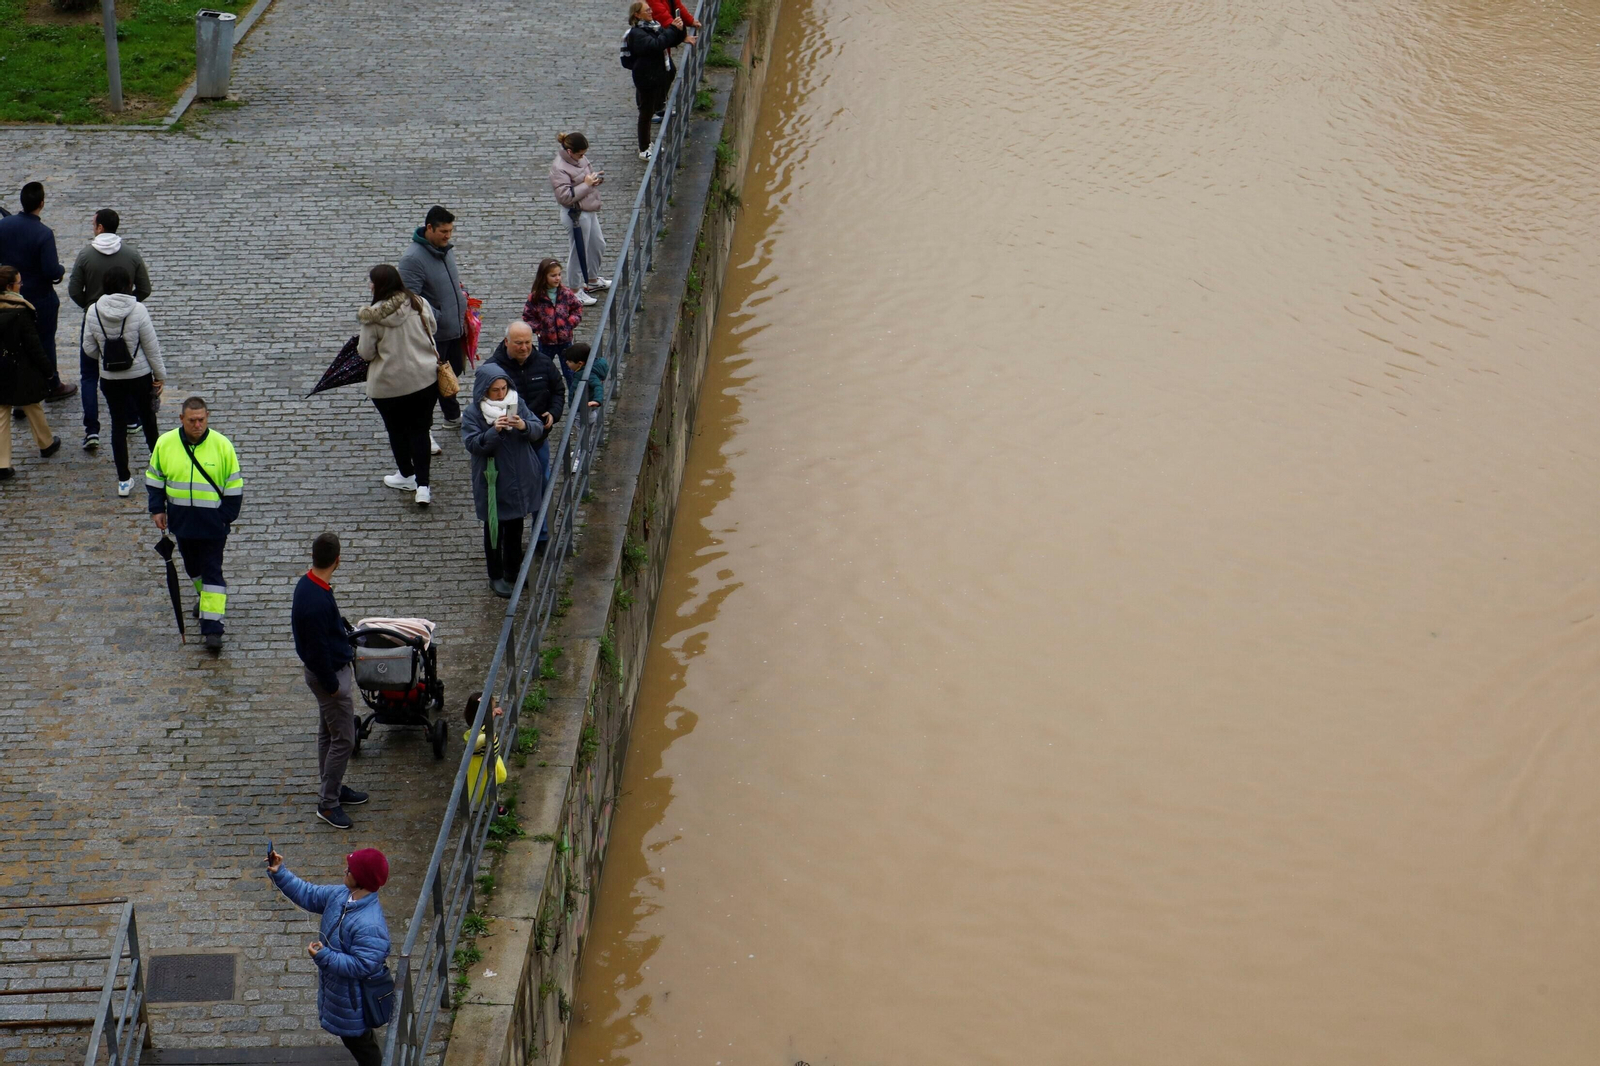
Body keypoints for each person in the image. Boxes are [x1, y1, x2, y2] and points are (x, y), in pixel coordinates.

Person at [265, 846, 392, 1066]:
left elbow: (362, 966)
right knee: (358, 1042)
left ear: (361, 879)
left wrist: (324, 956)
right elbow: (309, 893)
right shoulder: (341, 894)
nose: (345, 870)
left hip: (354, 1004)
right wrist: (279, 872)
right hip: (339, 993)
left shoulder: (370, 925)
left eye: (350, 869)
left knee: (361, 1045)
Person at [147, 397, 243, 652]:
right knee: (192, 568)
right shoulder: (165, 444)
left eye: (202, 419)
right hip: (183, 524)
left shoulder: (222, 446)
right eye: (192, 420)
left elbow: (234, 486)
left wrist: (224, 517)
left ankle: (213, 629)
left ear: (207, 417)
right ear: (182, 419)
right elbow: (155, 478)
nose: (197, 425)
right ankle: (206, 600)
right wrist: (157, 508)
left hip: (213, 526)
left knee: (212, 571)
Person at [292, 532, 366, 830]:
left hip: (326, 673)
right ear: (337, 559)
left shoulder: (309, 585)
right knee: (344, 739)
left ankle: (332, 787)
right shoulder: (317, 601)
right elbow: (317, 650)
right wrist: (333, 686)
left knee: (328, 733)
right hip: (329, 677)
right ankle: (328, 802)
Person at [68, 208, 152, 449]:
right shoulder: (132, 255)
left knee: (88, 375)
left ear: (101, 227)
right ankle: (132, 419)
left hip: (94, 321)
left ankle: (92, 430)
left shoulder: (85, 256)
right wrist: (129, 302)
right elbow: (145, 289)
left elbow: (74, 291)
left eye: (93, 223)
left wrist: (91, 307)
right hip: (127, 320)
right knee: (127, 366)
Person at [358, 264, 441, 507]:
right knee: (420, 430)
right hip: (425, 379)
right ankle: (423, 487)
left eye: (371, 281)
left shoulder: (373, 316)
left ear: (380, 285)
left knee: (397, 431)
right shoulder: (418, 302)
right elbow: (433, 328)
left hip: (389, 386)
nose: (370, 285)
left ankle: (407, 475)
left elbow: (365, 352)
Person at [461, 370, 546, 597]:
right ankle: (495, 576)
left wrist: (523, 426)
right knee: (494, 529)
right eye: (495, 390)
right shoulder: (473, 414)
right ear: (484, 391)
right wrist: (493, 431)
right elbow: (472, 444)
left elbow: (537, 428)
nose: (500, 394)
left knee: (516, 527)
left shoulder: (517, 403)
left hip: (519, 476)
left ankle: (513, 571)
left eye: (503, 389)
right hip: (492, 481)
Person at [81, 267, 165, 497]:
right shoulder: (138, 309)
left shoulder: (93, 311)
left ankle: (124, 480)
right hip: (139, 376)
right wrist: (160, 376)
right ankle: (160, 469)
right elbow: (151, 347)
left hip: (110, 378)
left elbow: (88, 347)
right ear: (128, 285)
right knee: (148, 422)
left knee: (118, 425)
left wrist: (106, 356)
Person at [479, 321, 564, 545]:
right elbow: (480, 402)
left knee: (542, 483)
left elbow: (558, 390)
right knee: (509, 489)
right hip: (508, 445)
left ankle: (542, 535)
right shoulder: (493, 368)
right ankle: (509, 540)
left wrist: (554, 414)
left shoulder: (544, 363)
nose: (525, 347)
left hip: (536, 439)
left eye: (528, 342)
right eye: (518, 343)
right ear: (507, 342)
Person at [0, 182, 75, 400]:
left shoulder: (4, 226)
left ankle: (18, 392)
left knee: (14, 342)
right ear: (41, 203)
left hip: (9, 296)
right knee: (45, 340)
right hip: (40, 298)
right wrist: (61, 270)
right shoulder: (43, 234)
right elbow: (51, 270)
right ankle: (52, 385)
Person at [397, 206, 467, 426]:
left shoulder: (445, 249)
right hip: (436, 332)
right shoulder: (412, 259)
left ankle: (452, 416)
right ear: (429, 228)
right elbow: (410, 299)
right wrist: (439, 315)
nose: (448, 235)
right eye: (443, 231)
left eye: (450, 230)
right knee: (431, 382)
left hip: (454, 327)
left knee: (451, 373)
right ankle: (422, 427)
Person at [0, 266, 62, 481]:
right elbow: (34, 346)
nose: (21, 286)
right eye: (19, 283)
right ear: (10, 287)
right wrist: (48, 371)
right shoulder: (21, 310)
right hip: (20, 369)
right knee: (32, 405)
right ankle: (45, 443)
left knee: (1, 413)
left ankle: (2, 463)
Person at [549, 134, 610, 306]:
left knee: (598, 244)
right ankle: (575, 290)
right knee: (578, 252)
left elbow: (587, 176)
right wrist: (587, 184)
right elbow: (565, 197)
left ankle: (591, 279)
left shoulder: (580, 159)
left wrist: (594, 179)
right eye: (580, 154)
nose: (583, 157)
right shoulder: (559, 168)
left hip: (589, 208)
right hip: (575, 214)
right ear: (570, 151)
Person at [624, 3, 690, 161]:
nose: (651, 12)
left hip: (655, 76)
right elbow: (656, 45)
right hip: (646, 78)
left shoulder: (653, 27)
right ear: (637, 15)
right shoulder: (637, 34)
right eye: (647, 11)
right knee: (645, 114)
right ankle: (644, 148)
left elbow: (668, 40)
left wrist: (680, 30)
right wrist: (673, 29)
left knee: (648, 110)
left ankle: (647, 143)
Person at [521, 257, 585, 364]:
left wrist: (570, 323)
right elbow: (528, 316)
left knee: (569, 370)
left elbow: (577, 308)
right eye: (553, 275)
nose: (557, 278)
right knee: (543, 367)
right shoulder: (536, 297)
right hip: (546, 342)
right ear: (544, 277)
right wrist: (539, 329)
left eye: (559, 275)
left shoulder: (566, 293)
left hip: (565, 340)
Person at [563, 343, 609, 475]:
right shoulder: (587, 370)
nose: (566, 363)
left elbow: (598, 387)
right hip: (584, 409)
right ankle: (582, 450)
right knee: (584, 432)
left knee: (582, 434)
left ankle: (580, 458)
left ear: (580, 363)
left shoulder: (587, 375)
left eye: (570, 361)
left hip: (582, 411)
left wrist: (597, 400)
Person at [461, 692, 506, 805]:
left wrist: (494, 713)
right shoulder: (476, 732)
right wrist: (486, 737)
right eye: (491, 710)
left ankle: (489, 804)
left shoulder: (484, 724)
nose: (494, 712)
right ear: (481, 715)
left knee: (491, 781)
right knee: (483, 786)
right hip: (481, 764)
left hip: (489, 759)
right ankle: (490, 806)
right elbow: (474, 743)